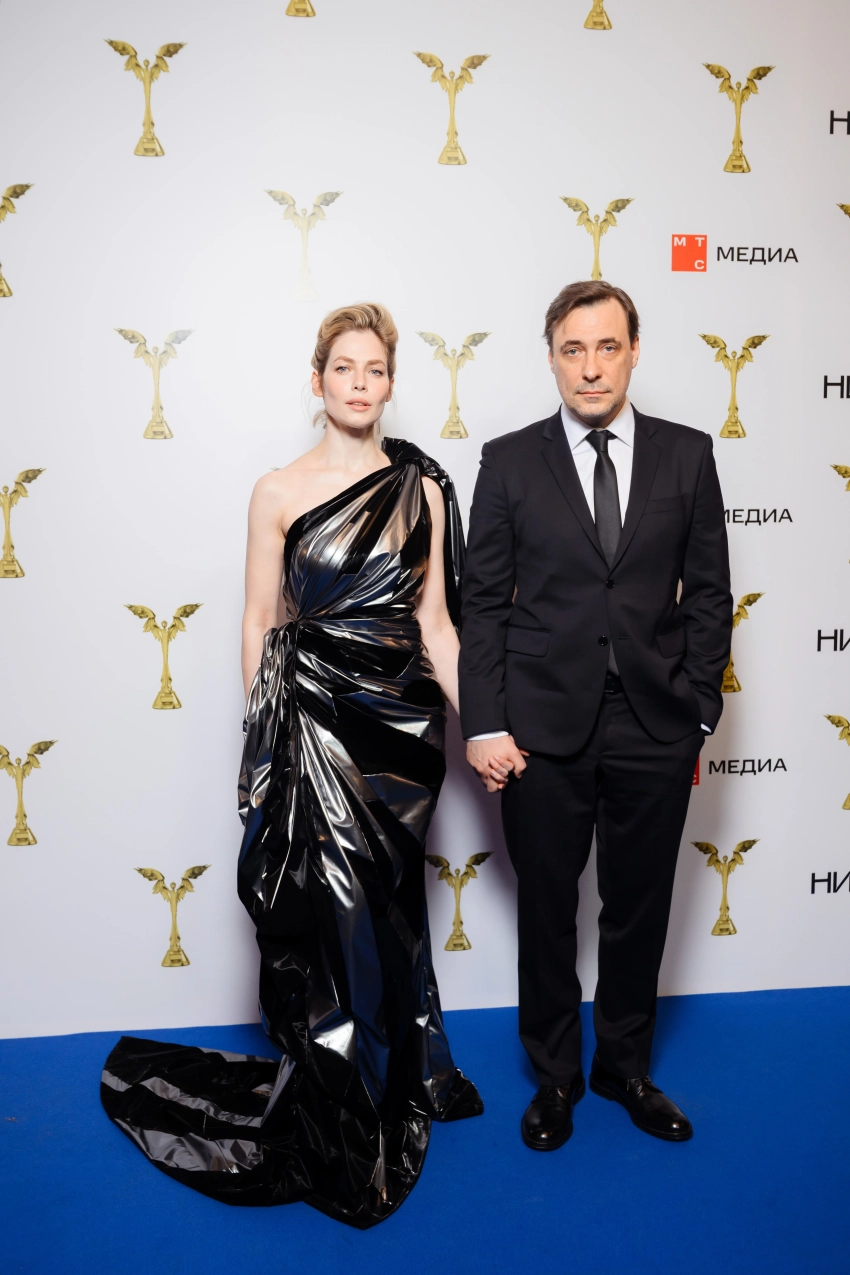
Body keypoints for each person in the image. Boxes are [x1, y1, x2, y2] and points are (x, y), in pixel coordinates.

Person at [101, 303, 483, 1228]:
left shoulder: (424, 491)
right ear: (318, 381)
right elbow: (259, 619)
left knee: (388, 908)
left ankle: (392, 1072)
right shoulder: (276, 490)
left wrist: (482, 725)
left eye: (375, 369)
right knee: (330, 914)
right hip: (312, 721)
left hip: (402, 731)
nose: (360, 383)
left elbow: (437, 625)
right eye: (344, 367)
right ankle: (344, 1104)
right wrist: (265, 730)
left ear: (390, 384)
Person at [459, 280, 731, 1151]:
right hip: (541, 727)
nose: (590, 366)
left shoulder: (688, 454)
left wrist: (698, 708)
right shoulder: (509, 461)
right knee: (546, 908)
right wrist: (484, 722)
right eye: (572, 349)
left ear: (634, 350)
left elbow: (710, 594)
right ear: (551, 358)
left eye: (607, 346)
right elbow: (482, 606)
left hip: (655, 723)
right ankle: (555, 1077)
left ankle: (625, 1068)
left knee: (638, 906)